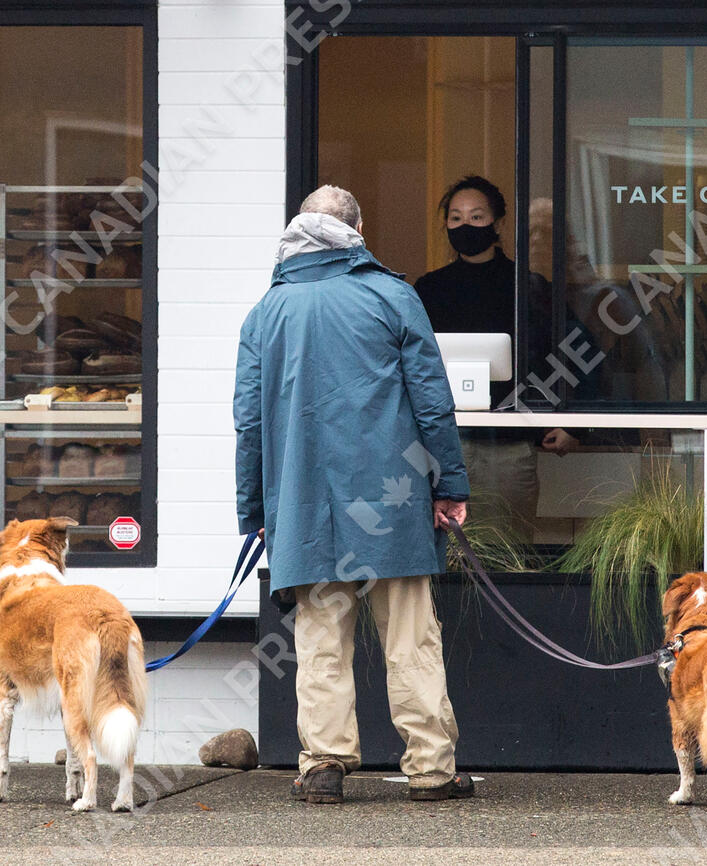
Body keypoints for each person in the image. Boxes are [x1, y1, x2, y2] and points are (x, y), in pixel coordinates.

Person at [233, 185, 474, 805]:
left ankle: (323, 765)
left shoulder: (266, 312)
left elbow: (249, 423)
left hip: (304, 504)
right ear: (357, 231)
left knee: (319, 639)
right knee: (411, 637)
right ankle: (431, 770)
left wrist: (255, 511)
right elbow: (432, 401)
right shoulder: (392, 296)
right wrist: (449, 484)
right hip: (393, 498)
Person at [413, 176, 588, 533]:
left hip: (510, 443)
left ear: (498, 223)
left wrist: (572, 422)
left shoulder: (527, 286)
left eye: (476, 217)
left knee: (509, 548)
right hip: (443, 443)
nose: (465, 225)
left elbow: (576, 350)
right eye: (456, 217)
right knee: (445, 553)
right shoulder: (429, 289)